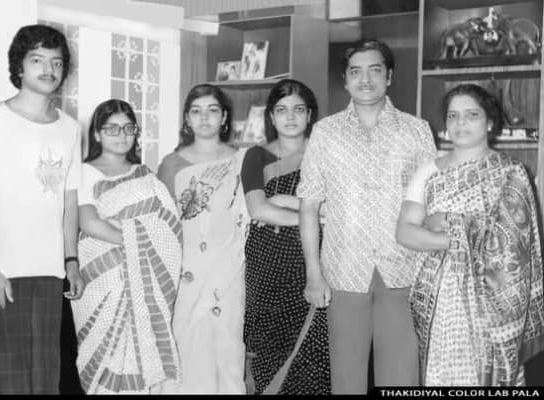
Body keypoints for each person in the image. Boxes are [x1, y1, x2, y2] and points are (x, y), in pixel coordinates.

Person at [297, 39, 437, 394]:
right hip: (343, 271)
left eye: (375, 70)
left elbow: (433, 202)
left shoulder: (416, 129)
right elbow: (309, 205)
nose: (365, 79)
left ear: (389, 76)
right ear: (345, 80)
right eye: (355, 72)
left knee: (402, 378)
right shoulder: (325, 132)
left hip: (404, 270)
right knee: (347, 380)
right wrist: (313, 274)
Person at [0, 24, 84, 394]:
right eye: (37, 60)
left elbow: (69, 201)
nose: (48, 69)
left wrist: (71, 260)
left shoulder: (69, 128)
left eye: (56, 62)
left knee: (46, 374)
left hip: (49, 271)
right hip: (3, 270)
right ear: (19, 66)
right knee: (9, 376)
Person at [396, 83, 544, 386]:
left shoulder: (512, 173)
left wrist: (448, 223)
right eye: (453, 116)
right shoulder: (429, 172)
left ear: (489, 122)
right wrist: (461, 238)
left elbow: (514, 247)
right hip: (441, 298)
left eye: (471, 115)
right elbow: (404, 233)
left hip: (495, 300)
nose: (460, 123)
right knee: (442, 376)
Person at [70, 99, 182, 394]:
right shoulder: (83, 173)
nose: (121, 135)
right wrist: (138, 240)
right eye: (112, 128)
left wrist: (132, 237)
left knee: (140, 359)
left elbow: (169, 226)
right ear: (97, 133)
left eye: (128, 128)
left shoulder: (146, 177)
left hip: (146, 281)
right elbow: (88, 223)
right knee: (100, 356)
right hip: (100, 281)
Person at [157, 84, 249, 394]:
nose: (204, 117)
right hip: (187, 268)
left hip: (230, 266)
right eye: (196, 111)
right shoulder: (172, 163)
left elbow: (247, 213)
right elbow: (163, 222)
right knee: (187, 339)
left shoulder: (242, 160)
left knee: (226, 340)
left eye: (212, 110)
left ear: (224, 117)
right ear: (187, 119)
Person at [241, 79, 330, 394]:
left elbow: (339, 209)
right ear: (271, 116)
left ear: (310, 114)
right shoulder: (256, 156)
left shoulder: (326, 155)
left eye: (298, 109)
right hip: (268, 269)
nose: (290, 117)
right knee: (268, 355)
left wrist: (282, 200)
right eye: (281, 110)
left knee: (315, 356)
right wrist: (312, 215)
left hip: (316, 264)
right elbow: (258, 209)